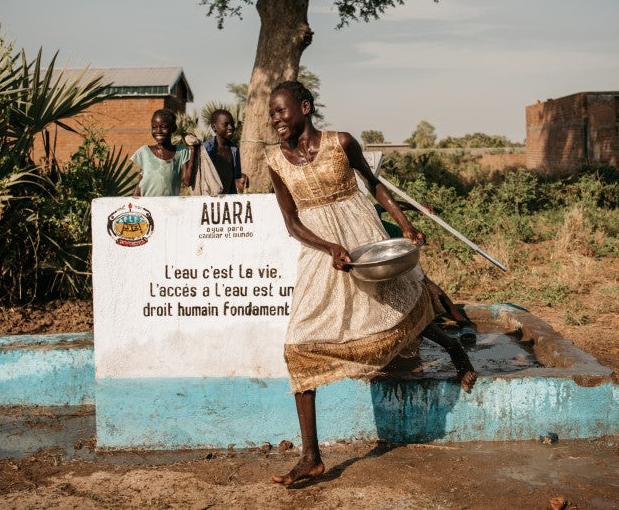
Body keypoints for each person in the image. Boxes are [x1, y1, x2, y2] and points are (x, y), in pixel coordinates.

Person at [264, 80, 476, 485]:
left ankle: (454, 351)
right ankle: (311, 456)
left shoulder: (341, 142)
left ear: (305, 107)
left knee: (394, 308)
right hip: (322, 250)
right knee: (298, 345)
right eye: (271, 113)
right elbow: (291, 223)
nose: (275, 119)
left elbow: (376, 186)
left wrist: (406, 224)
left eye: (281, 111)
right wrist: (328, 247)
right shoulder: (275, 161)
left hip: (363, 236)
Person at [374, 202, 478, 344]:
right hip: (378, 255)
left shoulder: (362, 208)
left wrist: (416, 206)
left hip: (397, 244)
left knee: (423, 282)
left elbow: (389, 205)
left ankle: (462, 321)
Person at [131, 109, 199, 196]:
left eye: (163, 127)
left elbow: (187, 182)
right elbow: (142, 182)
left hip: (168, 207)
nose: (158, 131)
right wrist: (133, 201)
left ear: (173, 128)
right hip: (147, 205)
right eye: (154, 127)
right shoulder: (144, 152)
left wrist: (193, 150)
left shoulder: (181, 151)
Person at [202, 109, 248, 194]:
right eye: (225, 125)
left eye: (232, 124)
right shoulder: (206, 149)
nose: (230, 127)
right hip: (210, 199)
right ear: (214, 127)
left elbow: (237, 176)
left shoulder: (234, 149)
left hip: (229, 198)